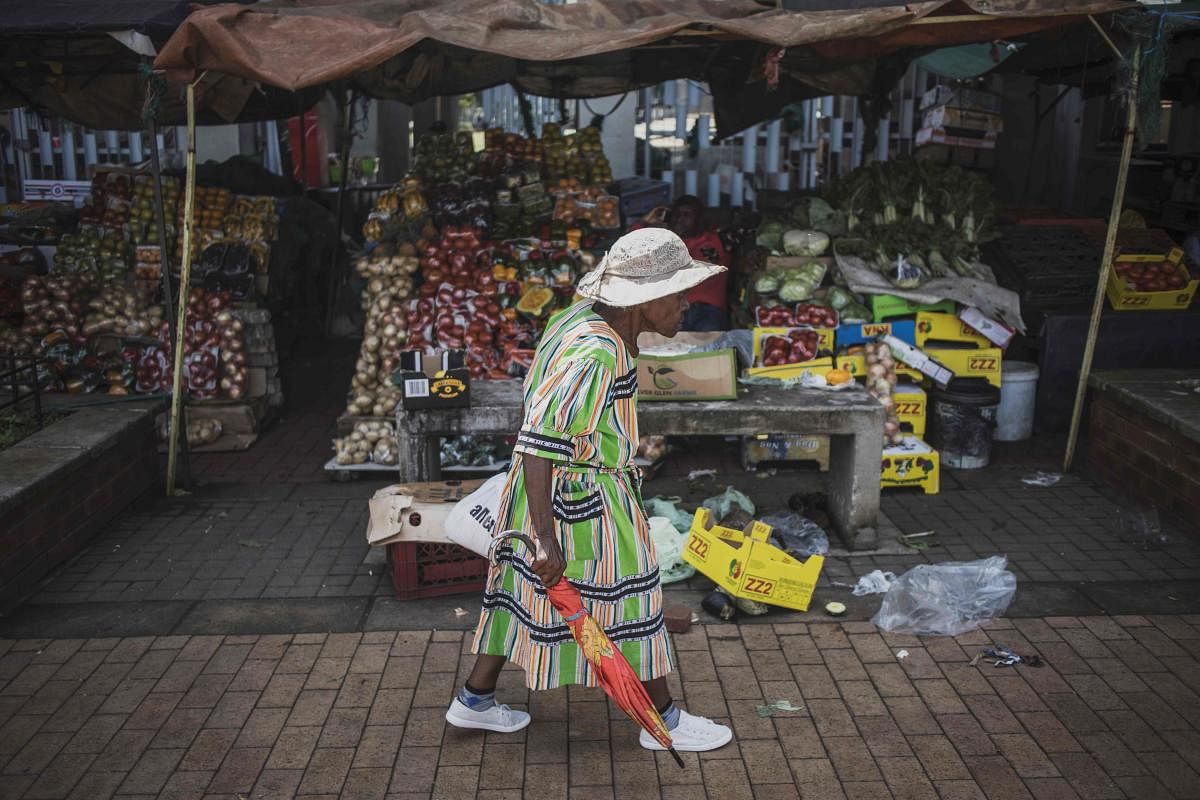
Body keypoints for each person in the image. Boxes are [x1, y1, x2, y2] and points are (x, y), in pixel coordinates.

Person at [446, 228, 734, 754]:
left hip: (553, 493)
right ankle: (662, 720)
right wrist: (545, 537)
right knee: (635, 603)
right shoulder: (596, 354)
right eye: (677, 294)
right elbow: (538, 443)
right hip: (581, 502)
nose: (686, 305)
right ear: (643, 300)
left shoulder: (581, 318)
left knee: (520, 594)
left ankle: (475, 699)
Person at [666, 195, 730, 331]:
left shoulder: (712, 241)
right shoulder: (667, 240)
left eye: (686, 215)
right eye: (676, 214)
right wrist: (644, 221)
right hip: (674, 311)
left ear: (698, 219)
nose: (678, 219)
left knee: (707, 344)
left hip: (707, 310)